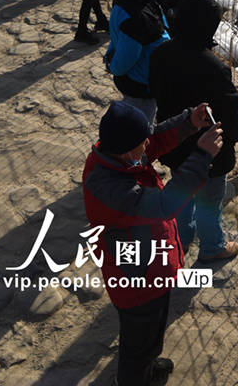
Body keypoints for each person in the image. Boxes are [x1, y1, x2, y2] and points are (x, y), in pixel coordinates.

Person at [83, 100, 223, 386]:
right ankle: (134, 378)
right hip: (136, 281)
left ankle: (147, 364)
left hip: (152, 269)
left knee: (151, 329)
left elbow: (155, 138)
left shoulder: (119, 155)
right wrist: (201, 156)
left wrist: (190, 122)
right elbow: (164, 203)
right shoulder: (109, 186)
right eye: (141, 144)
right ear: (125, 149)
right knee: (139, 340)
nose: (147, 146)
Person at [150, 0, 238, 262]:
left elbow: (154, 90)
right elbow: (230, 113)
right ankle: (213, 246)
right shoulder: (215, 68)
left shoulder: (161, 53)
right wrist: (234, 137)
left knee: (181, 191)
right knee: (209, 202)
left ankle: (182, 237)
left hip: (175, 141)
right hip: (211, 152)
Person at [106, 0, 171, 123]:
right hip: (140, 85)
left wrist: (110, 54)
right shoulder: (137, 18)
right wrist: (113, 67)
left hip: (142, 79)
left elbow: (117, 35)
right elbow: (127, 57)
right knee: (140, 130)